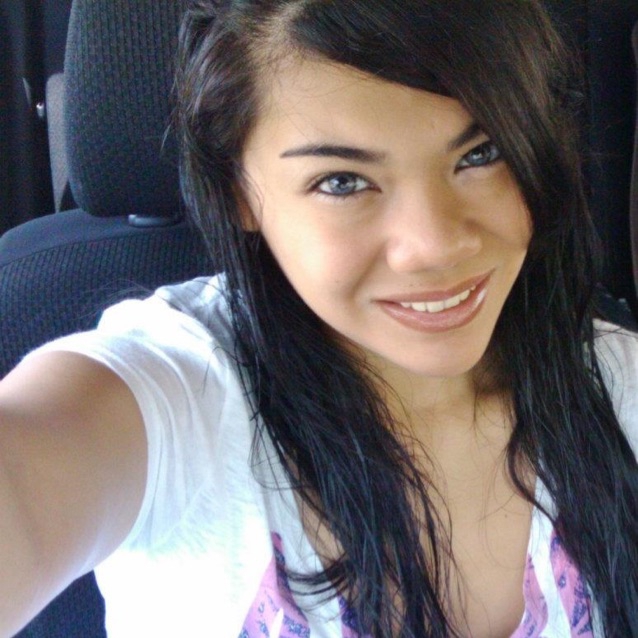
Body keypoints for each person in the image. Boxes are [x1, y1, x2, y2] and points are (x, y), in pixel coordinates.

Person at [1, 0, 637, 636]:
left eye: (482, 153)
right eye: (342, 182)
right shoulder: (172, 395)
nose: (436, 246)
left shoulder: (619, 383)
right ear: (237, 191)